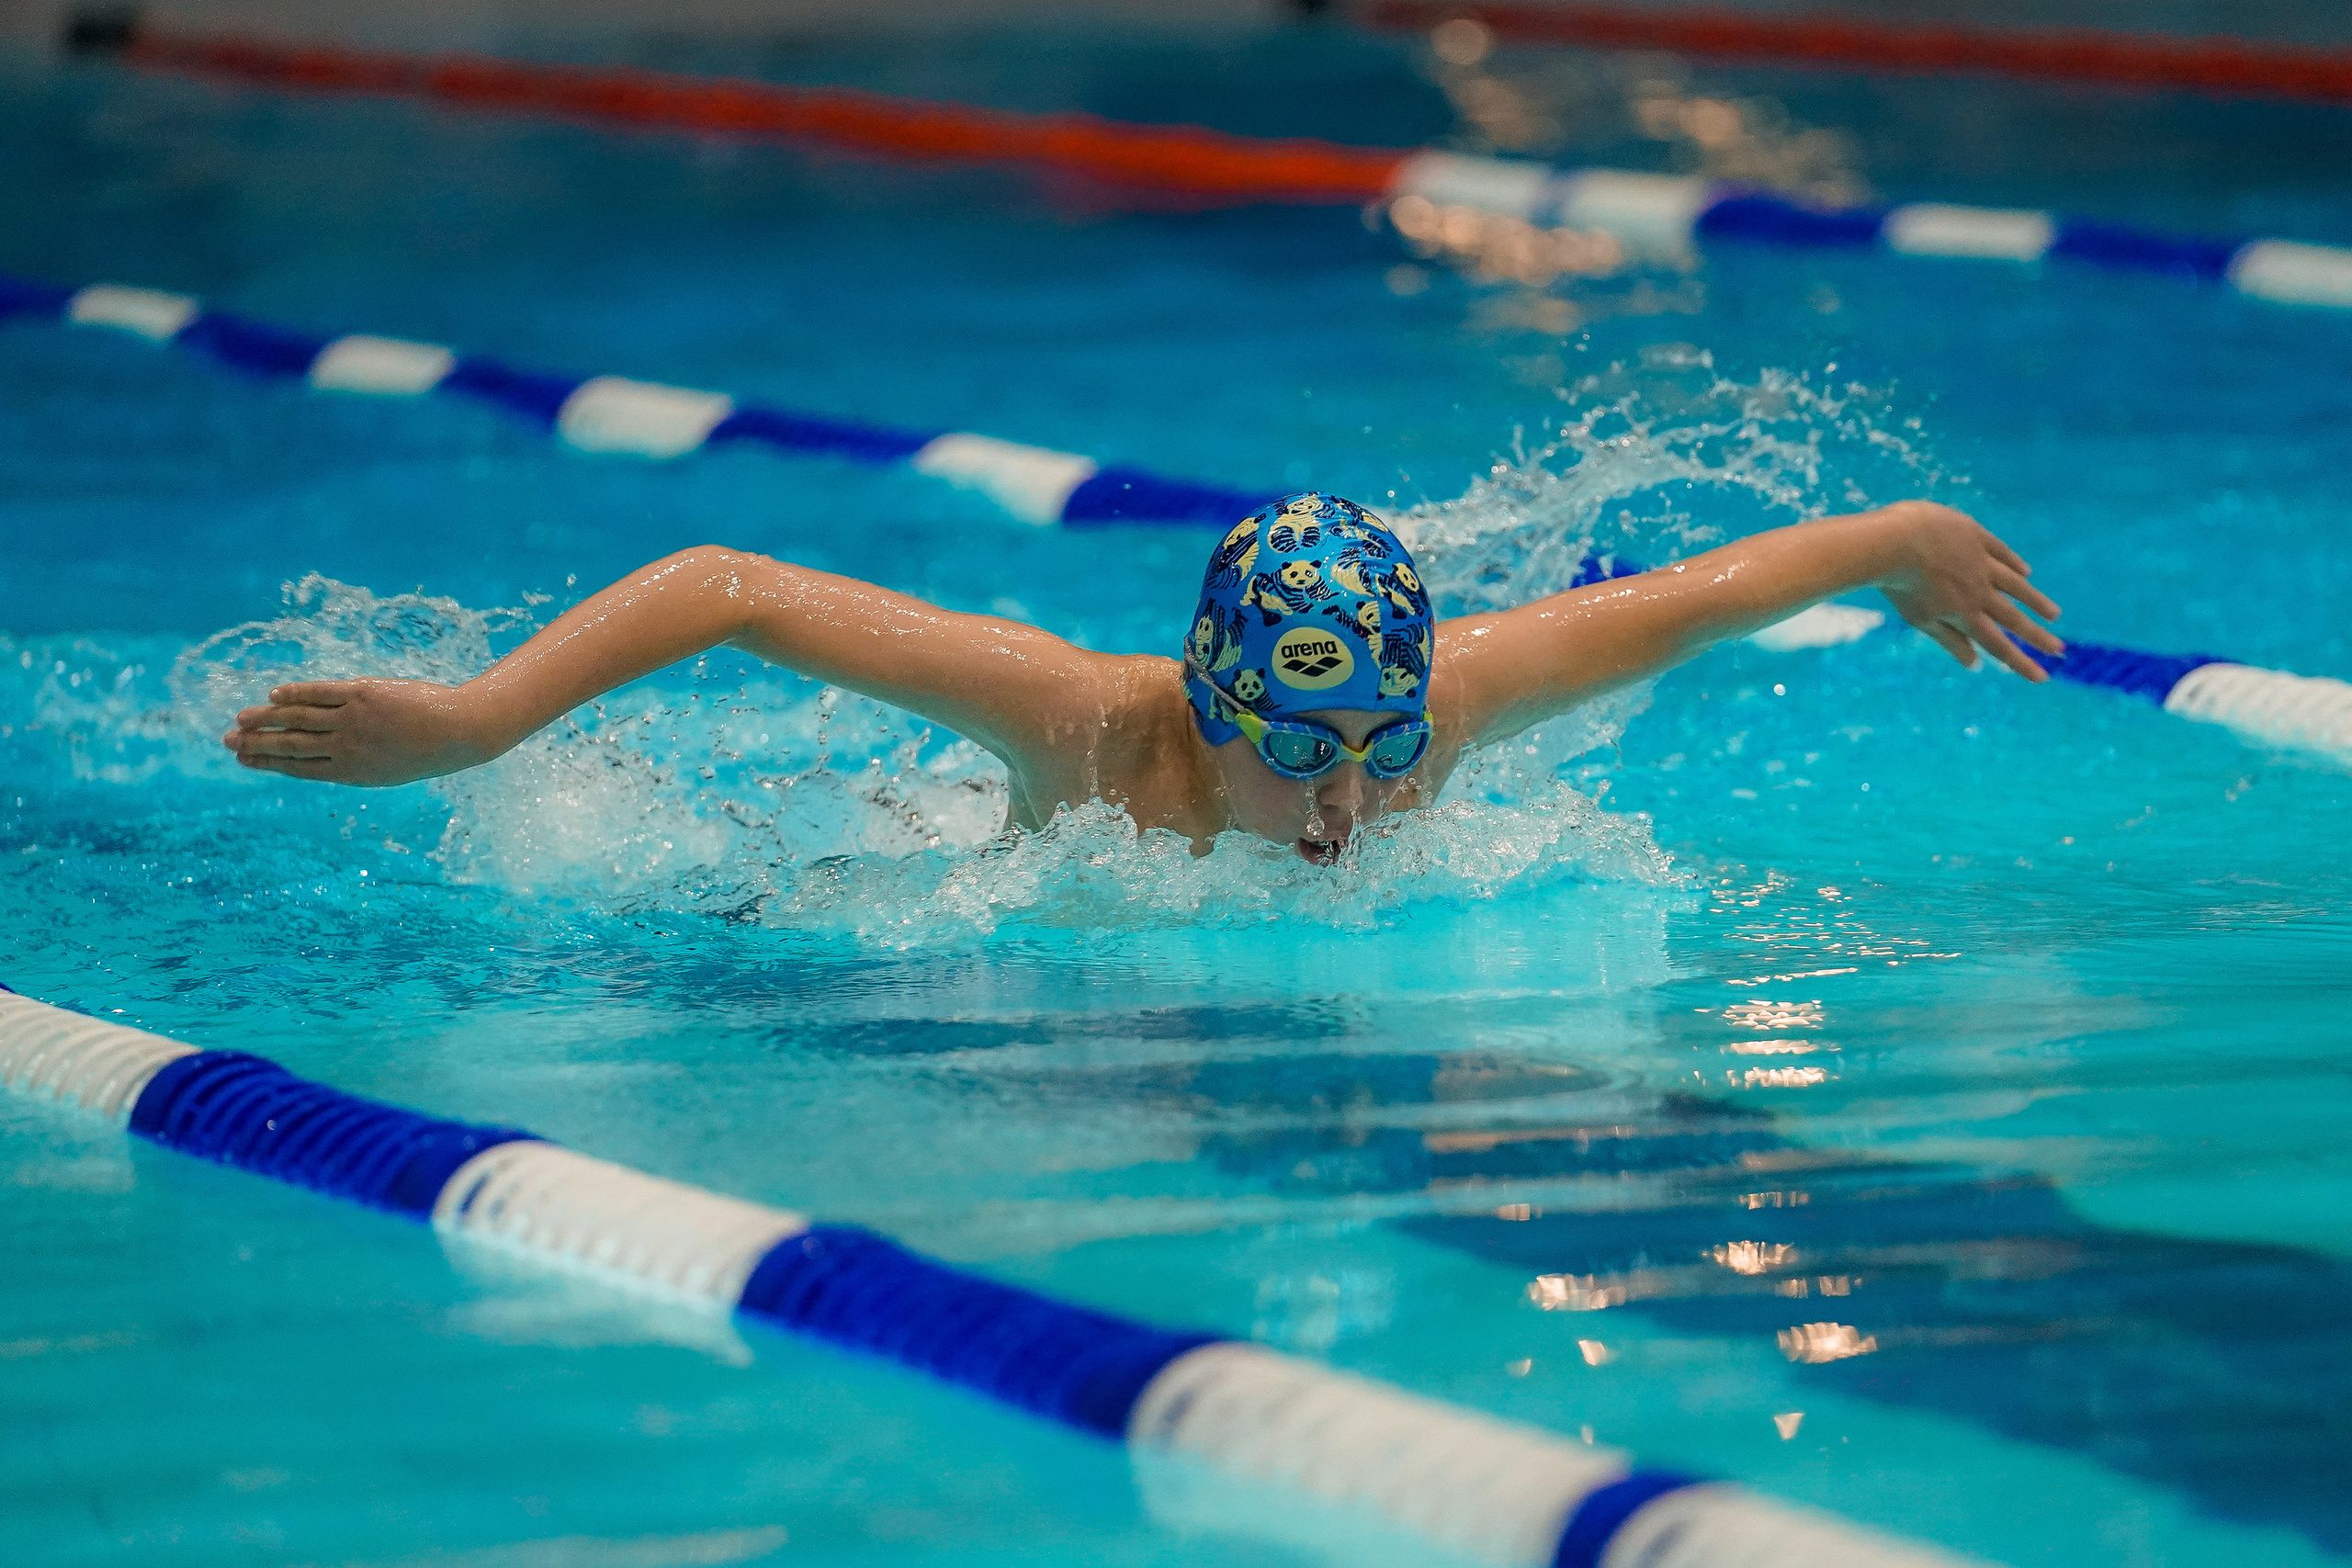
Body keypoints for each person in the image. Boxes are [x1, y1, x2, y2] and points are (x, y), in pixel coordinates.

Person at [222, 491, 2063, 864]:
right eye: (1306, 758)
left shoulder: (1436, 718)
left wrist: (1900, 539)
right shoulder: (1089, 724)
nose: (1352, 805)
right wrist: (471, 725)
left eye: (1381, 750)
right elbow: (732, 590)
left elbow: (1690, 600)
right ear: (1213, 709)